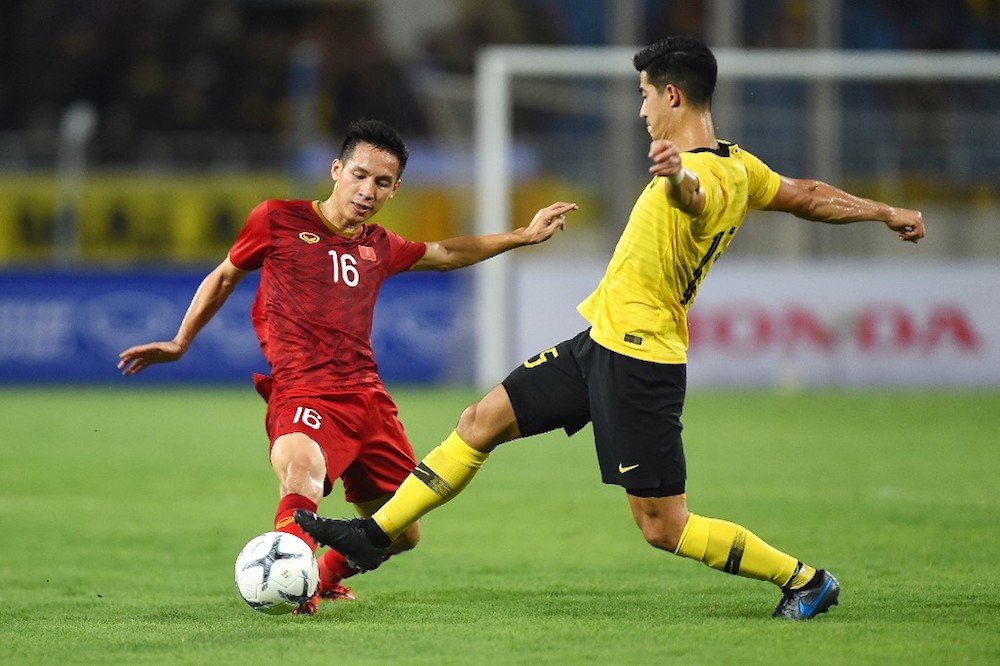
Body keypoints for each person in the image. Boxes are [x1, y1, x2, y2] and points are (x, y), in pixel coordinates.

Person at [294, 36, 926, 620]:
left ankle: (806, 580)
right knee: (477, 422)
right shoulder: (742, 166)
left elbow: (694, 198)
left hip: (640, 362)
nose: (643, 110)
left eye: (645, 96)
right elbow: (808, 193)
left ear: (672, 95)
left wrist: (677, 177)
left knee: (664, 527)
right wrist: (883, 210)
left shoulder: (702, 175)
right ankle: (372, 538)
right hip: (598, 345)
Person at [118, 118, 577, 615]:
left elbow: (445, 253)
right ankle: (293, 587)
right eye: (359, 175)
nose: (368, 190)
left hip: (367, 400)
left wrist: (521, 236)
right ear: (336, 169)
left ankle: (321, 577)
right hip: (302, 391)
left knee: (400, 533)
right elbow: (226, 274)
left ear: (395, 189)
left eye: (382, 183)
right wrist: (182, 340)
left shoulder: (379, 245)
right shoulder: (277, 219)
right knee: (301, 473)